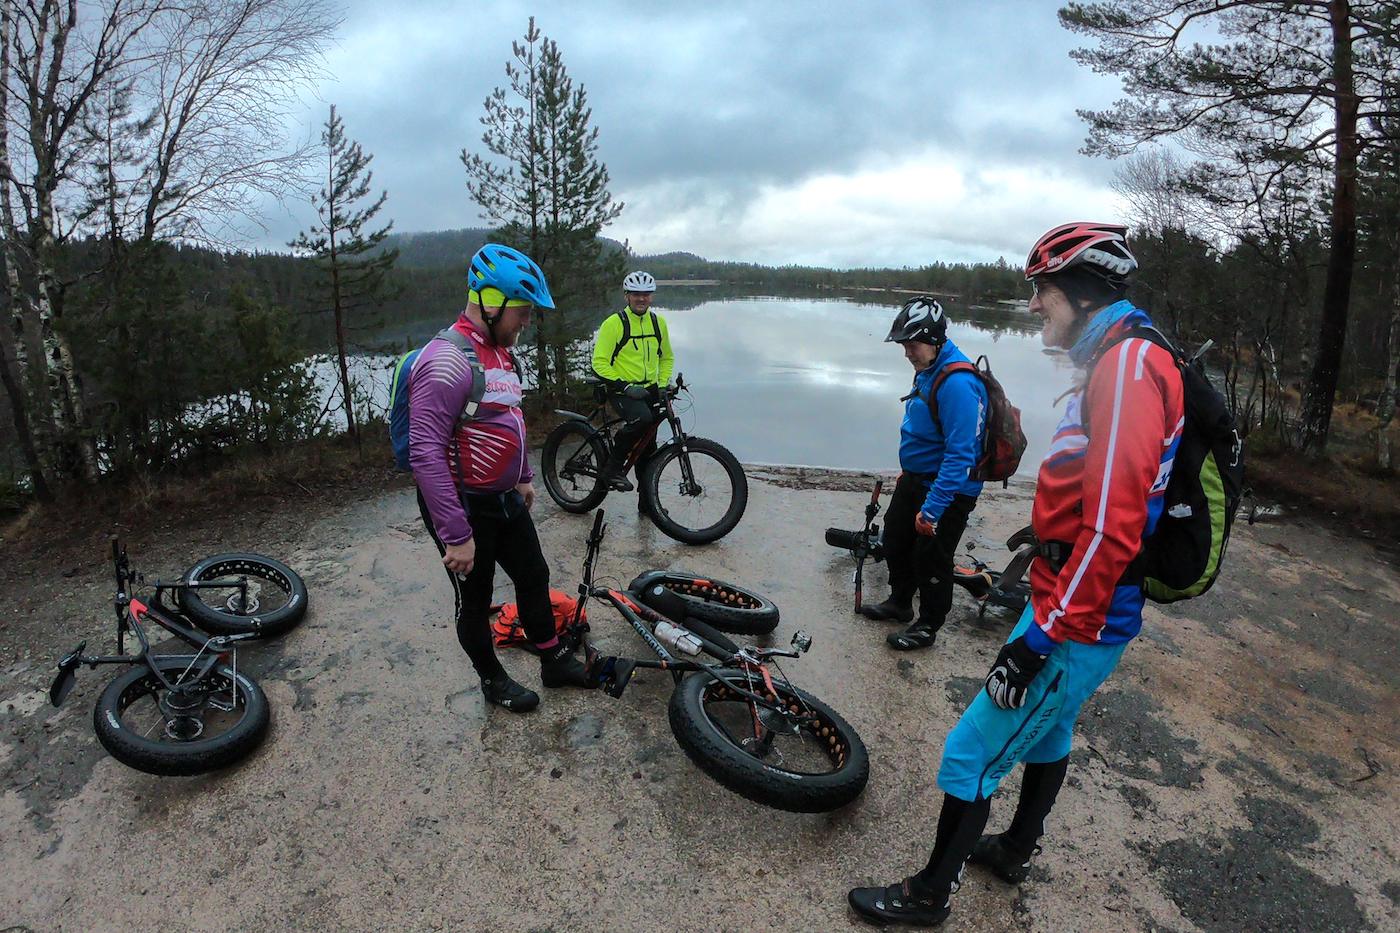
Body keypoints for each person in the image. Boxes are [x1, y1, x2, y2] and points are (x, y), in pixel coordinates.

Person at [847, 222, 1185, 926]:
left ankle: (928, 896)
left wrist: (1037, 642)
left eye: (1043, 290)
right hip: (1065, 598)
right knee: (1051, 730)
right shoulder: (1119, 357)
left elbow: (1113, 527)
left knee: (969, 751)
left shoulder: (1127, 369)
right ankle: (1014, 848)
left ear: (1083, 293)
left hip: (1078, 618)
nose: (1033, 305)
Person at [409, 243, 593, 713]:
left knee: (533, 574)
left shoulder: (499, 354)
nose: (527, 321)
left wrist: (524, 474)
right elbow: (425, 453)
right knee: (477, 598)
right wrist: (456, 535)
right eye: (522, 310)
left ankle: (553, 661)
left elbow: (510, 418)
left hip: (504, 496)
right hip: (464, 504)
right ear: (491, 303)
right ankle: (492, 680)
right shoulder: (445, 361)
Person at [859, 295, 987, 652]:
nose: (906, 353)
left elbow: (960, 455)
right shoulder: (929, 368)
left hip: (949, 488)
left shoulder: (958, 384)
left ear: (934, 340)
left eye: (911, 345)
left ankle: (928, 625)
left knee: (931, 558)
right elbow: (925, 429)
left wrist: (932, 510)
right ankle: (900, 602)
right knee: (895, 540)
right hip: (918, 478)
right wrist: (909, 472)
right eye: (903, 345)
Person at [591, 270, 674, 494]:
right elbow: (599, 363)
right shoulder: (614, 324)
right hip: (621, 390)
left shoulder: (658, 323)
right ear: (626, 296)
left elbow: (666, 357)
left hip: (649, 390)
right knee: (642, 420)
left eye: (646, 294)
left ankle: (647, 502)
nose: (641, 298)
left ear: (651, 296)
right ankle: (612, 469)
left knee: (648, 446)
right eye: (636, 294)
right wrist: (625, 386)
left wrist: (662, 385)